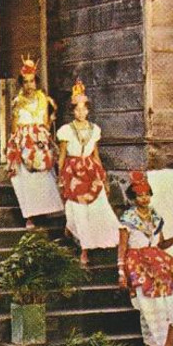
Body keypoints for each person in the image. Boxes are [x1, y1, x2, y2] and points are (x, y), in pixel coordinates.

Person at [118, 171, 173, 346]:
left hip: (160, 265)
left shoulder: (156, 217)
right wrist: (121, 271)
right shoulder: (127, 219)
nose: (144, 198)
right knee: (148, 307)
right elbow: (123, 247)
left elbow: (161, 245)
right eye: (140, 195)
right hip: (138, 265)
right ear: (133, 197)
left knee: (168, 306)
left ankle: (167, 345)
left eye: (147, 194)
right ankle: (149, 345)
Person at [56, 79, 120, 266]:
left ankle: (107, 242)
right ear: (72, 111)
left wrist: (103, 177)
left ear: (89, 110)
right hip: (73, 171)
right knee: (78, 209)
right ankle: (84, 249)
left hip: (91, 170)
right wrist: (60, 177)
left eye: (84, 109)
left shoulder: (95, 130)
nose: (81, 113)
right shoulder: (66, 131)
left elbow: (96, 155)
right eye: (77, 109)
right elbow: (61, 156)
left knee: (99, 207)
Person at [5, 57, 63, 228]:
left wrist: (42, 135)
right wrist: (15, 145)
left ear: (36, 82)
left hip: (39, 138)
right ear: (22, 83)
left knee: (43, 176)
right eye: (25, 82)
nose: (29, 85)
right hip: (23, 139)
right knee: (25, 179)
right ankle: (29, 215)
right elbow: (14, 127)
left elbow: (45, 122)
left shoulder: (43, 99)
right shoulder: (17, 101)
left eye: (32, 81)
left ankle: (44, 212)